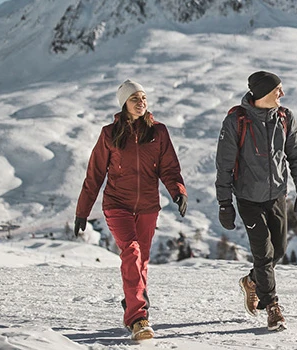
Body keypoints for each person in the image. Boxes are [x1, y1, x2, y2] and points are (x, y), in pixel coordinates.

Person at [74, 79, 188, 341]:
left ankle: (133, 303)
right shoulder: (109, 134)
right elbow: (94, 176)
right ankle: (138, 317)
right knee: (132, 251)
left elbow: (169, 168)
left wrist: (178, 191)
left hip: (148, 206)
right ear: (124, 102)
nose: (141, 102)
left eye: (144, 98)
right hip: (117, 205)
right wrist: (82, 211)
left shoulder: (158, 132)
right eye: (135, 98)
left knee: (142, 260)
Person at [215, 71, 297, 331]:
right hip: (248, 199)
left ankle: (251, 281)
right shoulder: (237, 121)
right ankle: (272, 307)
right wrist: (225, 203)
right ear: (263, 93)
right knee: (264, 254)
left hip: (277, 196)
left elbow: (296, 156)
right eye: (278, 89)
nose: (282, 93)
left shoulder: (285, 118)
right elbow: (223, 165)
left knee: (278, 250)